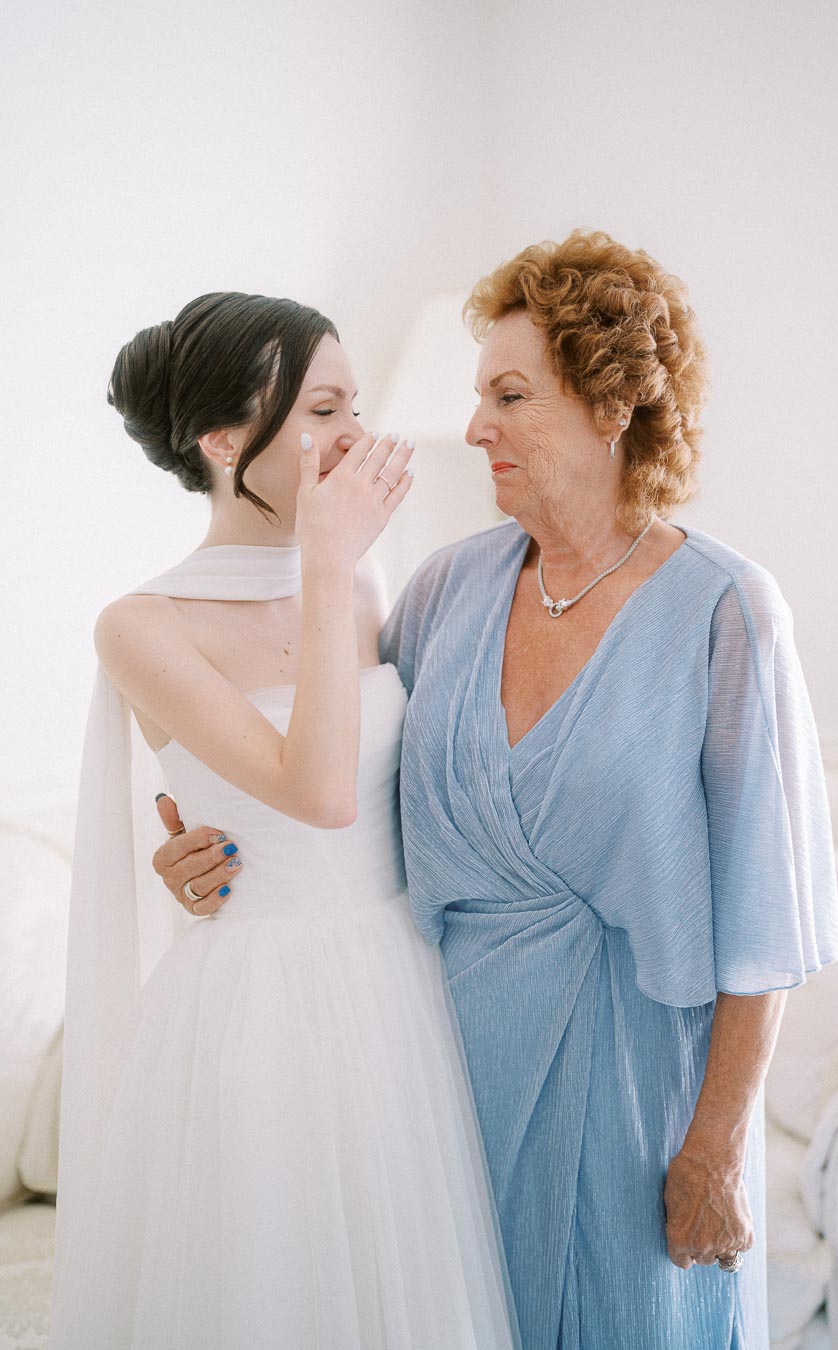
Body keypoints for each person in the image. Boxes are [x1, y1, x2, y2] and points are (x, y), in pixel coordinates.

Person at [155, 233, 838, 1349]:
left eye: (510, 394)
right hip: (439, 1077)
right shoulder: (445, 592)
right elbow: (347, 790)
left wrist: (715, 1149)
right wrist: (208, 858)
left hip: (636, 1094)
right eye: (479, 394)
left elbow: (765, 918)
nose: (474, 425)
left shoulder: (728, 610)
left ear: (614, 403)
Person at [48, 292, 519, 1349]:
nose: (355, 435)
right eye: (322, 410)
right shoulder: (140, 625)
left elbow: (415, 788)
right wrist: (322, 558)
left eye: (353, 404)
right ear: (225, 441)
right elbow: (318, 792)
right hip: (259, 1007)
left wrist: (336, 565)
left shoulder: (365, 587)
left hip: (401, 980)